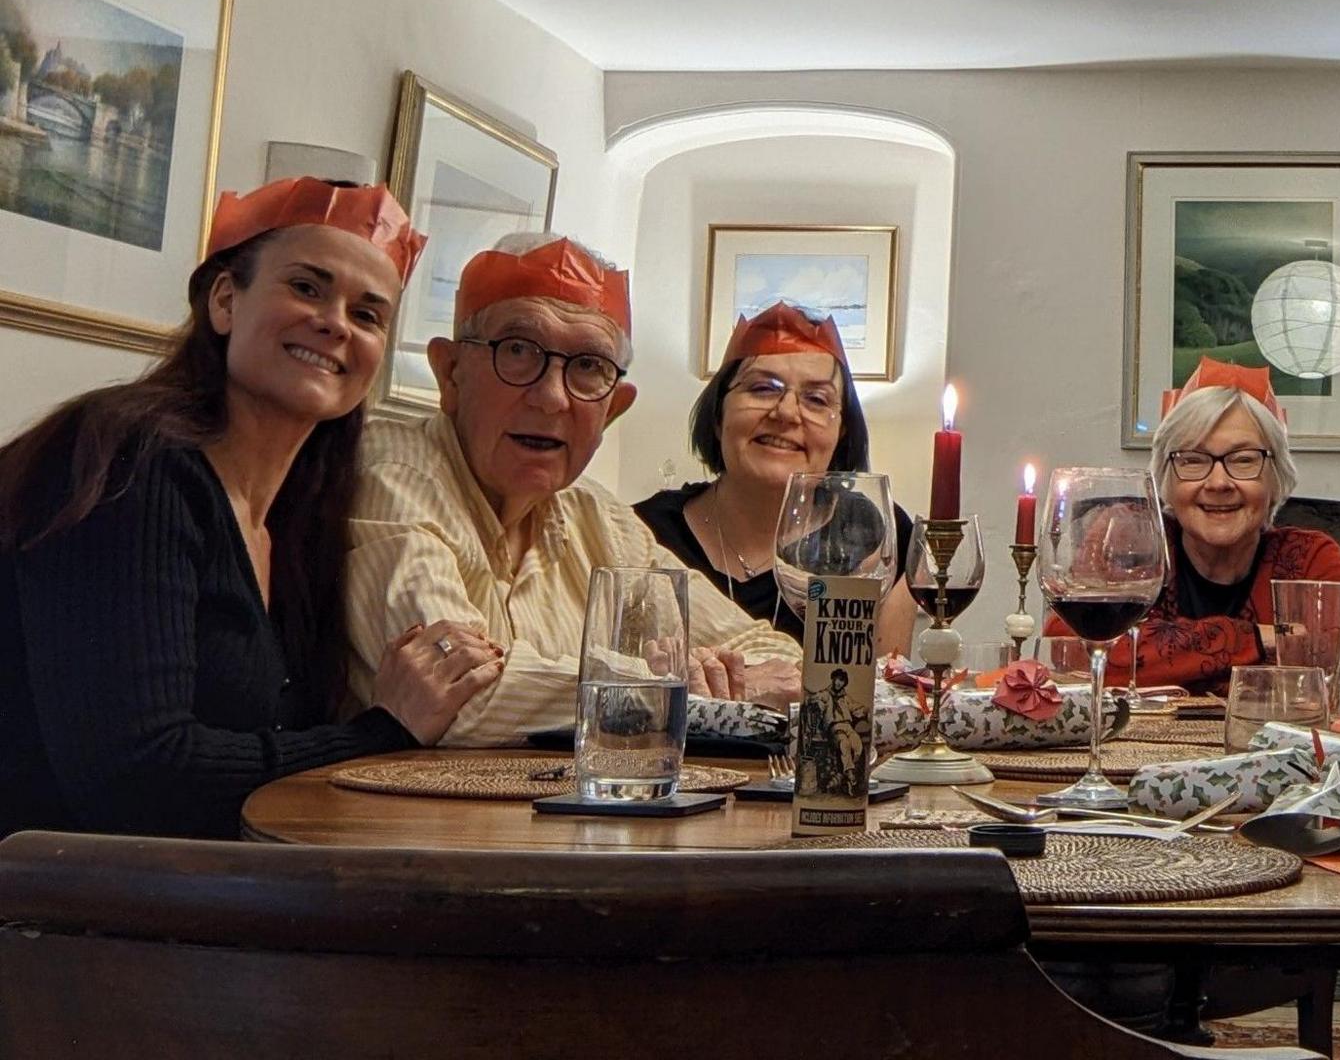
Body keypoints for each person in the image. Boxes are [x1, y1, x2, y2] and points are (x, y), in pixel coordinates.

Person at [0, 177, 493, 838]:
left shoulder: (303, 515)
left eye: (368, 313)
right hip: (50, 910)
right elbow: (135, 777)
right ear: (226, 300)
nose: (334, 323)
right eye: (307, 287)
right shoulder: (129, 460)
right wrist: (382, 734)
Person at [345, 233, 802, 747]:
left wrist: (730, 682)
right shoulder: (395, 469)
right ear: (450, 374)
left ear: (612, 409)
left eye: (588, 367)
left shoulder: (599, 518)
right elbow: (453, 697)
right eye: (517, 351)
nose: (550, 397)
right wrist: (679, 687)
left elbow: (771, 654)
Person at [1047, 357, 1340, 700]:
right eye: (1193, 460)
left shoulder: (1308, 557)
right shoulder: (1129, 539)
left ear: (1276, 476)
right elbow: (1069, 653)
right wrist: (1258, 639)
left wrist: (1173, 665)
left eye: (1243, 460)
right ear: (1166, 478)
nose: (1219, 482)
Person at [634, 302, 914, 655]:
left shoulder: (881, 536)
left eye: (816, 399)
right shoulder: (642, 533)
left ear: (842, 431)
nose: (785, 412)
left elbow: (880, 692)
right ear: (719, 415)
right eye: (762, 389)